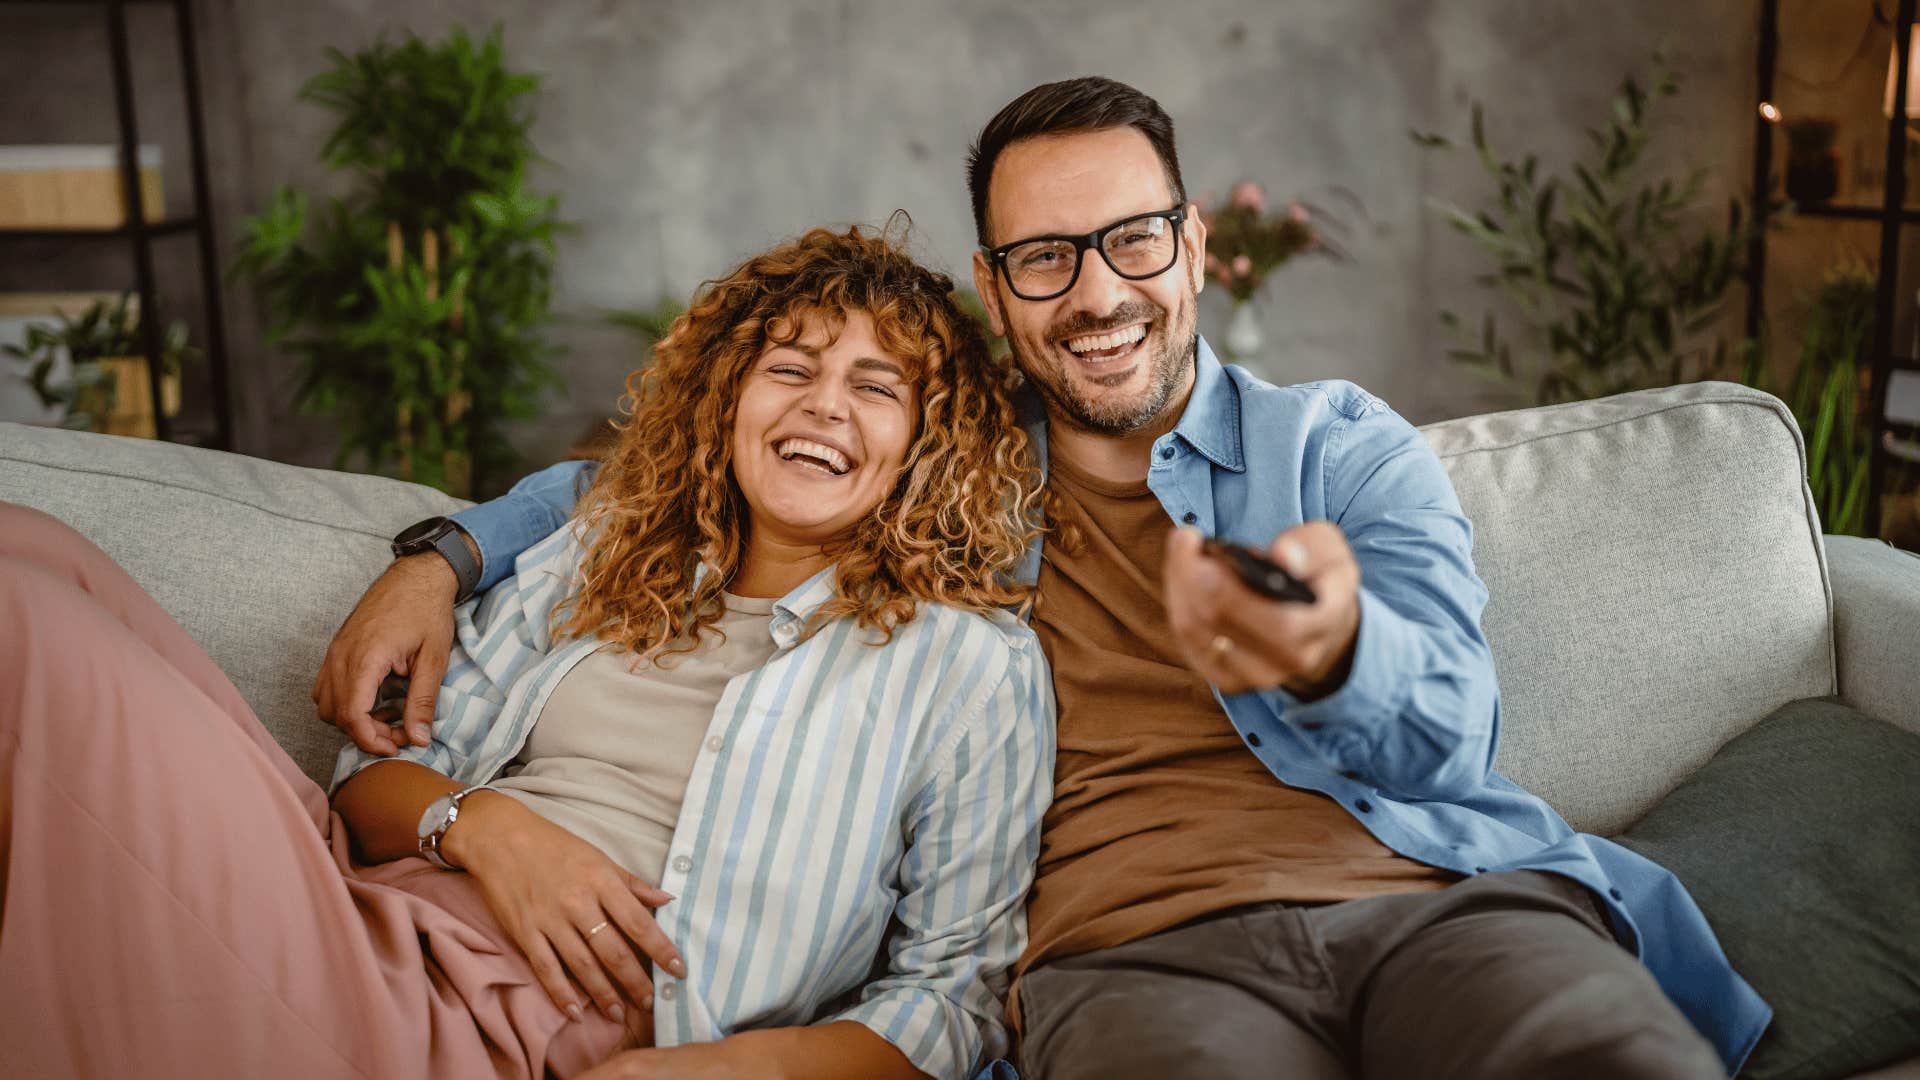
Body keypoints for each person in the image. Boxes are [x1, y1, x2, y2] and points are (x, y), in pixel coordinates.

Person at [320, 79, 1770, 1080]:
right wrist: (445, 556)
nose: (1097, 290)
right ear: (997, 284)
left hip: (1435, 905)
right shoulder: (948, 467)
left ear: (1194, 244)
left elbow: (1453, 729)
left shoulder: (1337, 450)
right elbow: (686, 471)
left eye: (1133, 237)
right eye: (1044, 257)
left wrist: (1328, 652)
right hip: (1135, 959)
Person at [0, 225, 1053, 1080]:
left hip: (500, 1019)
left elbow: (957, 994)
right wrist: (487, 828)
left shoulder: (964, 664)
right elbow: (370, 781)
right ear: (729, 400)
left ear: (927, 447)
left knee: (21, 616)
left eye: (878, 387)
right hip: (358, 908)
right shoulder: (598, 552)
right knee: (28, 544)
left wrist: (735, 1071)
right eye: (791, 367)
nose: (825, 401)